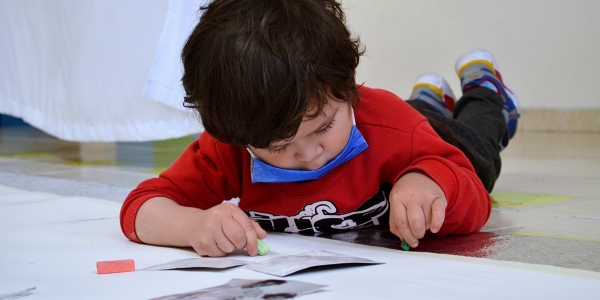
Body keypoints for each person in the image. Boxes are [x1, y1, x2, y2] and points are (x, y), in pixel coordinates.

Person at [119, 0, 520, 257]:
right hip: (404, 122)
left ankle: (485, 89)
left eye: (323, 127)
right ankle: (427, 99)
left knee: (481, 147)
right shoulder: (232, 145)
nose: (308, 154)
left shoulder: (391, 128)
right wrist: (190, 225)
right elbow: (142, 206)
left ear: (348, 87)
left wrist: (426, 182)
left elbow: (474, 201)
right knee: (415, 116)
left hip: (423, 134)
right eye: (278, 147)